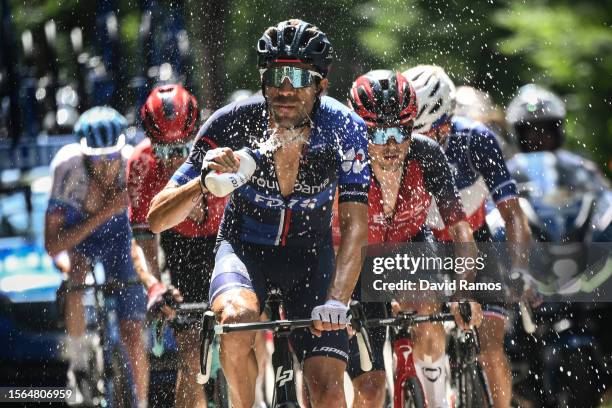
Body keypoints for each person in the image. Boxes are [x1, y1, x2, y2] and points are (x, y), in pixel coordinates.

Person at [147, 19, 370, 408]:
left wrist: (337, 301)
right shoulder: (232, 123)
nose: (285, 88)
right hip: (245, 251)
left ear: (321, 84)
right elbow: (156, 218)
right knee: (236, 321)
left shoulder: (344, 129)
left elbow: (354, 228)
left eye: (298, 77)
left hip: (310, 258)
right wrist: (202, 181)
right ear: (263, 80)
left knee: (330, 393)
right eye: (275, 75)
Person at [343, 69, 482, 408]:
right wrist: (339, 300)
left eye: (401, 130)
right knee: (371, 389)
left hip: (411, 246)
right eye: (379, 133)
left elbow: (461, 231)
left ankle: (435, 399)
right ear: (360, 131)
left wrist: (466, 290)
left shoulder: (428, 154)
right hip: (354, 260)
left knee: (428, 310)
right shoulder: (343, 160)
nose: (391, 144)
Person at [404, 65, 532, 408]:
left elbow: (514, 215)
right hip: (425, 242)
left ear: (447, 119)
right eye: (414, 132)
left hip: (478, 240)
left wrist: (520, 269)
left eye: (431, 131)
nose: (422, 142)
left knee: (490, 349)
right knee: (425, 327)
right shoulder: (400, 147)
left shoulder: (477, 139)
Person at [126, 84, 224, 408]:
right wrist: (154, 286)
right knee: (191, 351)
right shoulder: (141, 163)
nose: (174, 160)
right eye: (164, 151)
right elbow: (142, 242)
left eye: (183, 148)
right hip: (178, 245)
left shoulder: (220, 149)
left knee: (245, 334)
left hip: (224, 239)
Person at [44, 107, 148, 407]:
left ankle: (141, 401)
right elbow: (53, 245)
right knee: (75, 282)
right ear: (84, 155)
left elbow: (147, 234)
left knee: (132, 330)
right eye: (97, 159)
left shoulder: (134, 164)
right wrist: (105, 211)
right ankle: (77, 366)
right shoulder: (67, 169)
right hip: (82, 237)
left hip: (121, 238)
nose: (105, 166)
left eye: (111, 158)